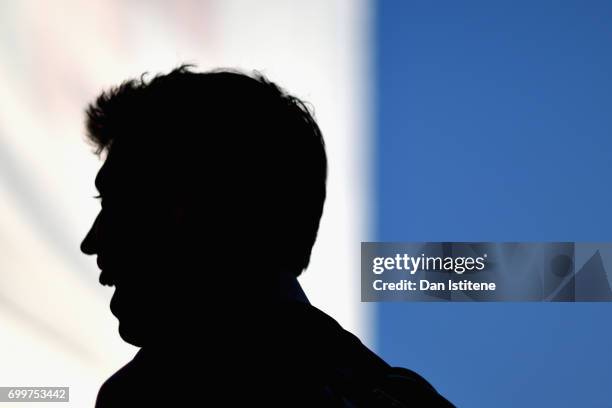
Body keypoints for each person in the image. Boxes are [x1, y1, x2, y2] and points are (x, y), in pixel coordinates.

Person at [80, 65, 454, 407]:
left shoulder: (154, 394)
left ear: (194, 206)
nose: (91, 241)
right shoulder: (405, 397)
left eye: (118, 202)